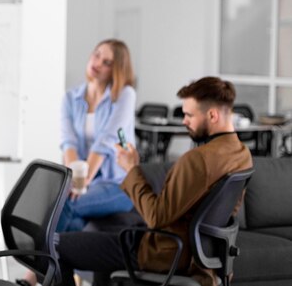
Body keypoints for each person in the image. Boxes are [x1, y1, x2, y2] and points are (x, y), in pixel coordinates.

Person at [55, 76, 253, 286]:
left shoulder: (198, 159)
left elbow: (156, 217)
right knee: (97, 232)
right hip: (202, 255)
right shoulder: (242, 155)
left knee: (54, 246)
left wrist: (132, 169)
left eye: (188, 115)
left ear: (212, 115)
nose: (184, 121)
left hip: (161, 253)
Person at [18, 38, 136, 286]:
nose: (97, 64)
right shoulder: (71, 98)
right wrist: (71, 183)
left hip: (118, 185)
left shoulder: (125, 96)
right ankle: (56, 276)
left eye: (107, 62)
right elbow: (68, 143)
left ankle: (32, 276)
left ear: (116, 69)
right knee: (69, 215)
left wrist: (77, 185)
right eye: (96, 56)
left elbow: (104, 143)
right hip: (84, 180)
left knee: (66, 204)